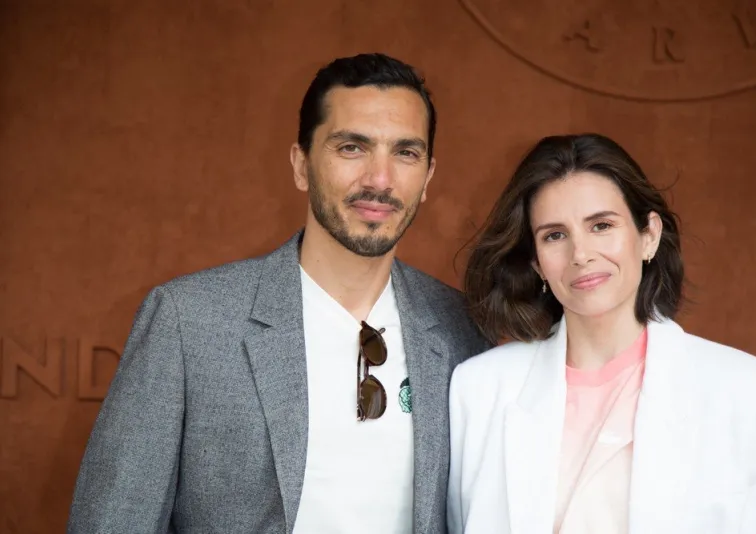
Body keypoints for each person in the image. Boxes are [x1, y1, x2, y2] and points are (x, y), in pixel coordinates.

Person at [67, 53, 490, 534]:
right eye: (352, 147)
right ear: (301, 165)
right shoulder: (189, 322)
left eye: (405, 153)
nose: (379, 179)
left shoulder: (463, 331)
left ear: (428, 176)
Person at [447, 133, 756, 534]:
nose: (580, 254)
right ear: (536, 262)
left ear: (648, 236)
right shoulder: (479, 389)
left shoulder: (750, 393)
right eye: (555, 235)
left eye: (601, 225)